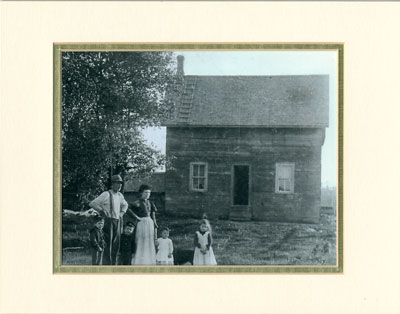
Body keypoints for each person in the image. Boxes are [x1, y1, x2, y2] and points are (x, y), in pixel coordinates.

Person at [89, 175, 128, 265]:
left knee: (116, 245)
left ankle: (113, 265)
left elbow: (125, 205)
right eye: (117, 183)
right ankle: (106, 265)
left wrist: (122, 213)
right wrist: (102, 211)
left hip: (117, 221)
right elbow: (93, 203)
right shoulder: (106, 194)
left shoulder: (120, 195)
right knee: (107, 244)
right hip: (108, 222)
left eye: (120, 184)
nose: (119, 186)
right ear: (112, 184)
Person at [130, 184, 158, 265]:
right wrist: (136, 217)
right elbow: (128, 210)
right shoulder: (137, 203)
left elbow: (153, 216)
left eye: (149, 193)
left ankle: (149, 261)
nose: (147, 194)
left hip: (150, 223)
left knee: (149, 241)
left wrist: (155, 224)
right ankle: (140, 261)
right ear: (141, 193)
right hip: (141, 223)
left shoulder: (151, 203)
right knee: (141, 240)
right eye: (145, 192)